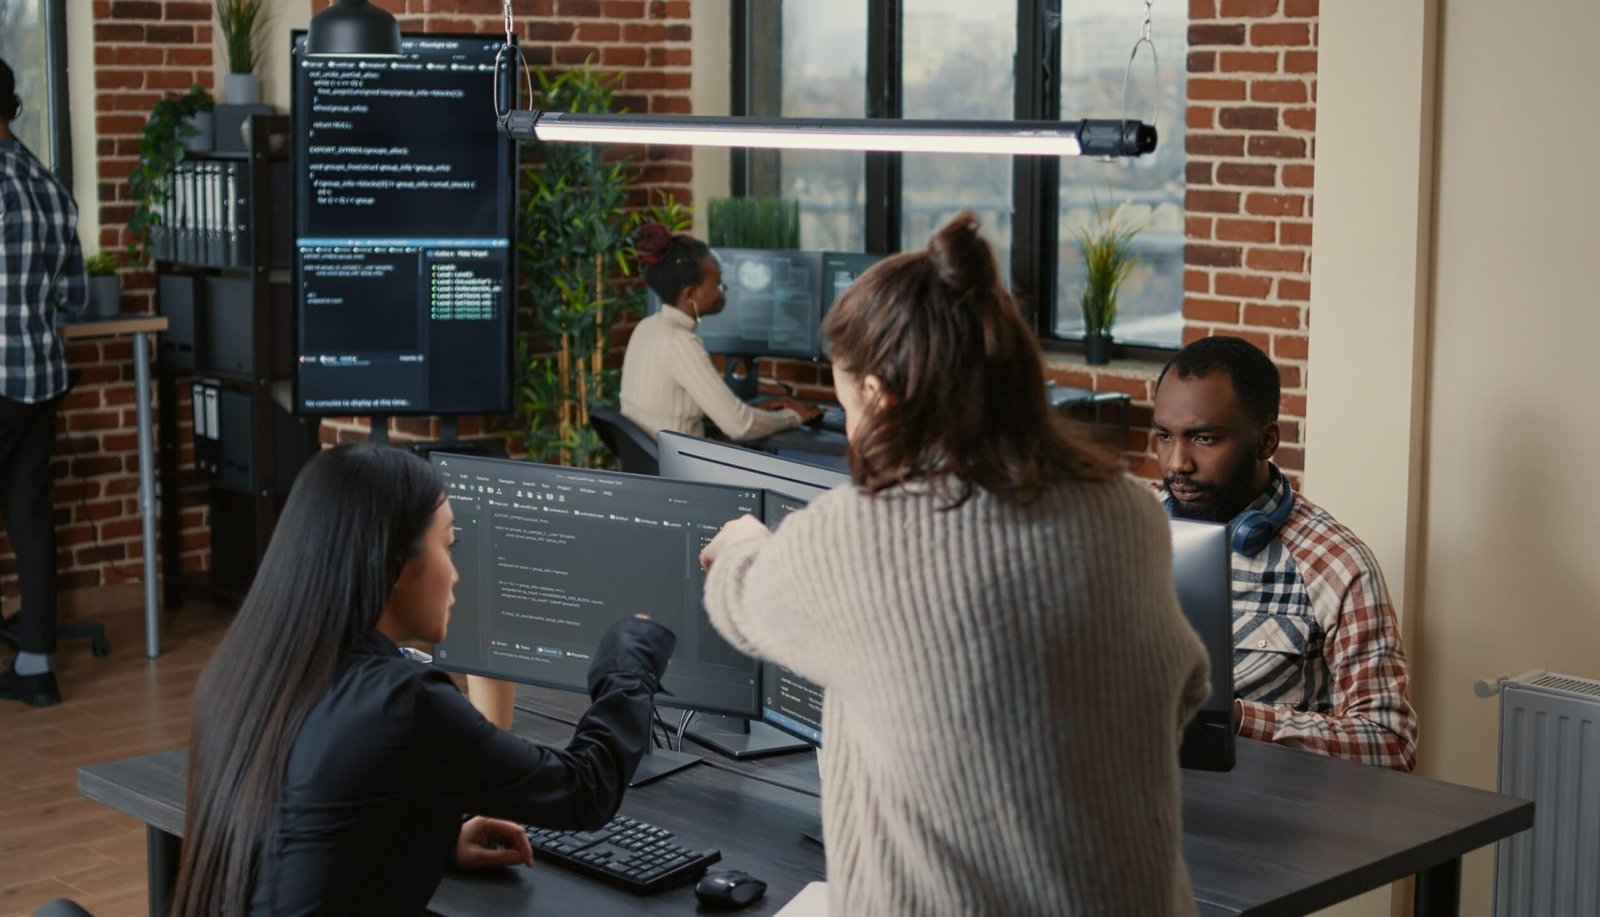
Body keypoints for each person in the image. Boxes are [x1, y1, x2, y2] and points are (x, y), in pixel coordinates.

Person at [698, 211, 1209, 914]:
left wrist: (742, 543)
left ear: (879, 395)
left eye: (848, 403)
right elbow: (1184, 688)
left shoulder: (860, 533)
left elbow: (740, 593)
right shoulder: (1127, 510)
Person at [171, 444, 676, 916]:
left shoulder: (248, 670)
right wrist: (630, 652)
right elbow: (583, 789)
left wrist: (434, 842)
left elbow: (294, 834)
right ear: (393, 563)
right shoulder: (402, 701)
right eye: (449, 545)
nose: (456, 574)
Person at [1152, 335, 1418, 771]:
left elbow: (1392, 744)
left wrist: (1234, 719)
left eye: (1203, 439)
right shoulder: (1131, 534)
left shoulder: (1337, 564)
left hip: (1268, 821)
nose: (1176, 463)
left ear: (1266, 441)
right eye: (1164, 436)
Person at [0, 55, 86, 708]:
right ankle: (34, 666)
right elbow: (76, 297)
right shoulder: (48, 183)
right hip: (40, 376)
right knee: (29, 516)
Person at [619, 224, 819, 440]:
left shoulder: (647, 328)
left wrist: (756, 412)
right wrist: (792, 416)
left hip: (652, 468)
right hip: (679, 471)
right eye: (717, 284)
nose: (723, 290)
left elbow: (674, 405)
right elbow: (739, 427)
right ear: (690, 295)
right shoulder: (680, 342)